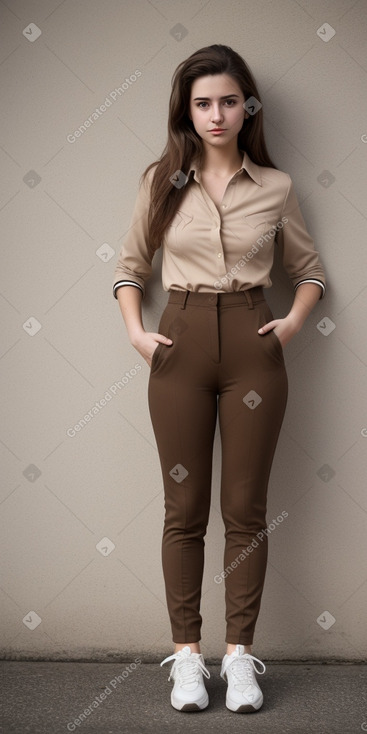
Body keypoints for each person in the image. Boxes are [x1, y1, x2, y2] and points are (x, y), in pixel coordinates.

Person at [112, 44, 326, 714]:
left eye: (227, 100)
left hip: (251, 346)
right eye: (201, 102)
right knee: (183, 512)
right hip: (177, 344)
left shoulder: (276, 186)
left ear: (246, 106)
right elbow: (128, 267)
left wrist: (289, 324)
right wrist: (137, 333)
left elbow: (312, 271)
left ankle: (237, 659)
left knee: (245, 512)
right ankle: (184, 659)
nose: (215, 114)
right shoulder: (160, 181)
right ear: (186, 109)